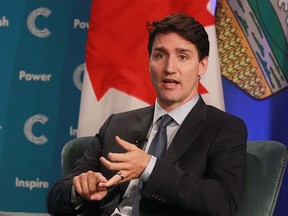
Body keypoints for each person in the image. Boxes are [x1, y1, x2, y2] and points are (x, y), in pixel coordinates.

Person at [47, 13, 247, 215]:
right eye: (160, 55)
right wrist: (79, 187)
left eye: (183, 57)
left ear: (201, 66)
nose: (169, 68)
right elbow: (55, 198)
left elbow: (223, 204)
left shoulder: (223, 128)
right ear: (149, 61)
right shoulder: (117, 125)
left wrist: (149, 167)